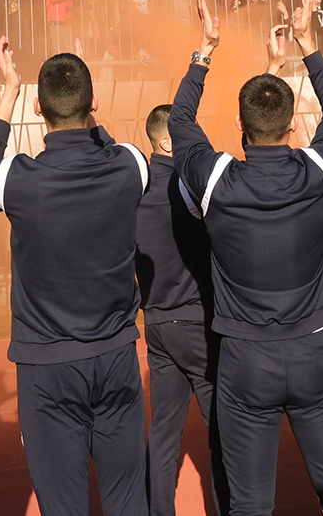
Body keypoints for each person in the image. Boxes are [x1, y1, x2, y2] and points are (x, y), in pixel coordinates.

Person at [170, 0, 323, 516]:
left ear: (240, 128)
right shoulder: (319, 171)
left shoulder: (219, 179)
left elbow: (179, 124)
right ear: (291, 126)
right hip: (313, 354)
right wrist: (309, 44)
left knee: (251, 505)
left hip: (244, 362)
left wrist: (204, 49)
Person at [0, 40, 151, 516]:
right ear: (94, 104)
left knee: (64, 506)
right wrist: (89, 106)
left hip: (47, 367)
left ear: (37, 107)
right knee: (130, 500)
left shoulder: (20, 179)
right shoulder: (130, 165)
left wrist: (7, 94)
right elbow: (115, 147)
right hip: (116, 356)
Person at [137, 102, 227, 516]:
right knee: (223, 431)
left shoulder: (133, 190)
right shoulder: (189, 187)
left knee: (163, 435)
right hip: (197, 324)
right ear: (167, 141)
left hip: (157, 326)